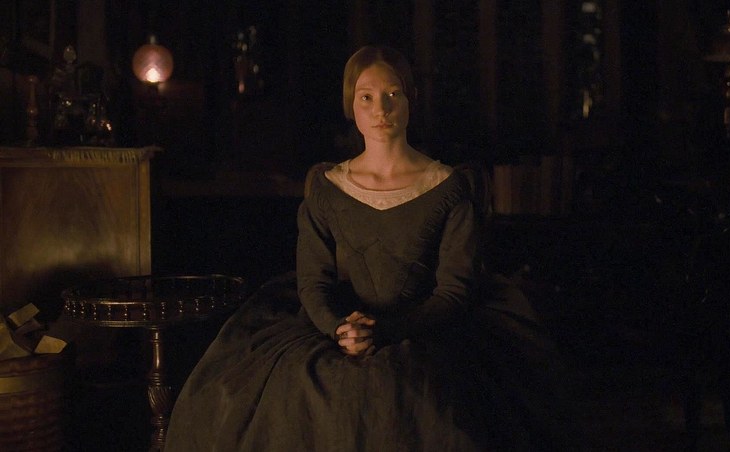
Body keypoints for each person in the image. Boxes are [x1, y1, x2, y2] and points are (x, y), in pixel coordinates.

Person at [166, 45, 565, 451]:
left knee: (417, 397)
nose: (381, 109)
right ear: (350, 105)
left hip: (427, 328)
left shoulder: (448, 187)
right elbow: (313, 281)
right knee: (301, 394)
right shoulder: (328, 187)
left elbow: (454, 290)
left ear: (410, 100)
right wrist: (340, 329)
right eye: (367, 97)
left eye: (393, 94)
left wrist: (386, 331)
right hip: (342, 324)